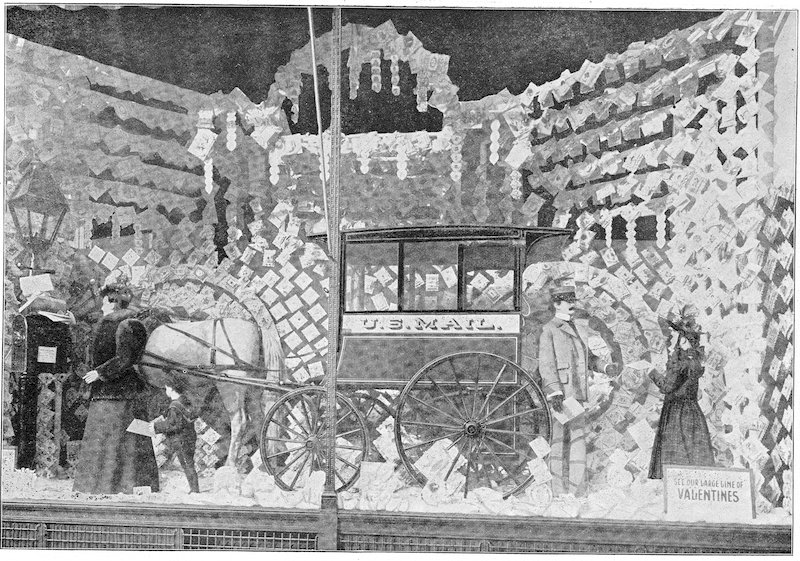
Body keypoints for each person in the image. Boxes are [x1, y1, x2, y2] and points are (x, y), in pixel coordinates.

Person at [73, 273, 160, 494]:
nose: (101, 306)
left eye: (104, 301)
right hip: (114, 393)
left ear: (111, 301)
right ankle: (113, 487)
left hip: (119, 395)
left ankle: (114, 487)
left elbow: (125, 358)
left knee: (118, 440)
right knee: (120, 441)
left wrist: (100, 373)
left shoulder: (125, 324)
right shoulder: (115, 322)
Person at [538, 281, 617, 497]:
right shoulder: (549, 330)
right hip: (561, 395)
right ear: (557, 304)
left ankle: (577, 492)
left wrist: (605, 367)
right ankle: (556, 491)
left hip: (578, 394)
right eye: (567, 301)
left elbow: (589, 358)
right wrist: (554, 392)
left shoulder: (578, 328)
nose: (571, 304)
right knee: (557, 442)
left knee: (578, 440)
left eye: (573, 300)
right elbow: (546, 365)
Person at [648, 310, 715, 479]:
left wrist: (651, 372)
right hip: (692, 412)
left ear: (683, 339)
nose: (671, 338)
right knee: (693, 456)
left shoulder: (679, 362)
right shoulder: (694, 360)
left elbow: (667, 386)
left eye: (674, 334)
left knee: (674, 459)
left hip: (675, 414)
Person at [153, 381, 200, 493]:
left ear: (171, 389)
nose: (166, 391)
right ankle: (194, 489)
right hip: (190, 437)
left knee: (187, 465)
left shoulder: (174, 406)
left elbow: (172, 425)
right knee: (189, 463)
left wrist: (155, 426)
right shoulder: (186, 402)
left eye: (167, 388)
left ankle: (194, 490)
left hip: (180, 439)